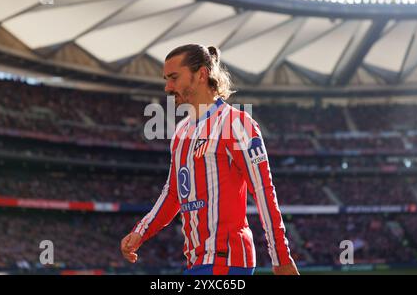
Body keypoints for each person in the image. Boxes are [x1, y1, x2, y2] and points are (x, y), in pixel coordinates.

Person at [121, 44, 299, 275]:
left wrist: (281, 257)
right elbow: (174, 193)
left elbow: (263, 190)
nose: (167, 87)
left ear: (202, 74)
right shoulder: (181, 133)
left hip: (227, 258)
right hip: (197, 262)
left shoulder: (236, 124)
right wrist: (141, 232)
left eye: (174, 78)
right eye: (166, 79)